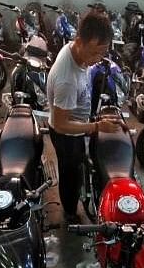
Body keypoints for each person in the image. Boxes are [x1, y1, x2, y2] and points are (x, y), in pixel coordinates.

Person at [46, 11, 121, 223]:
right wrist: (96, 126)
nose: (97, 59)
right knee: (71, 174)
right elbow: (60, 125)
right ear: (79, 41)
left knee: (78, 167)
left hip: (77, 124)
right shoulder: (67, 79)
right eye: (94, 53)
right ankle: (70, 212)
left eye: (102, 53)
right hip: (67, 136)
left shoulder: (77, 52)